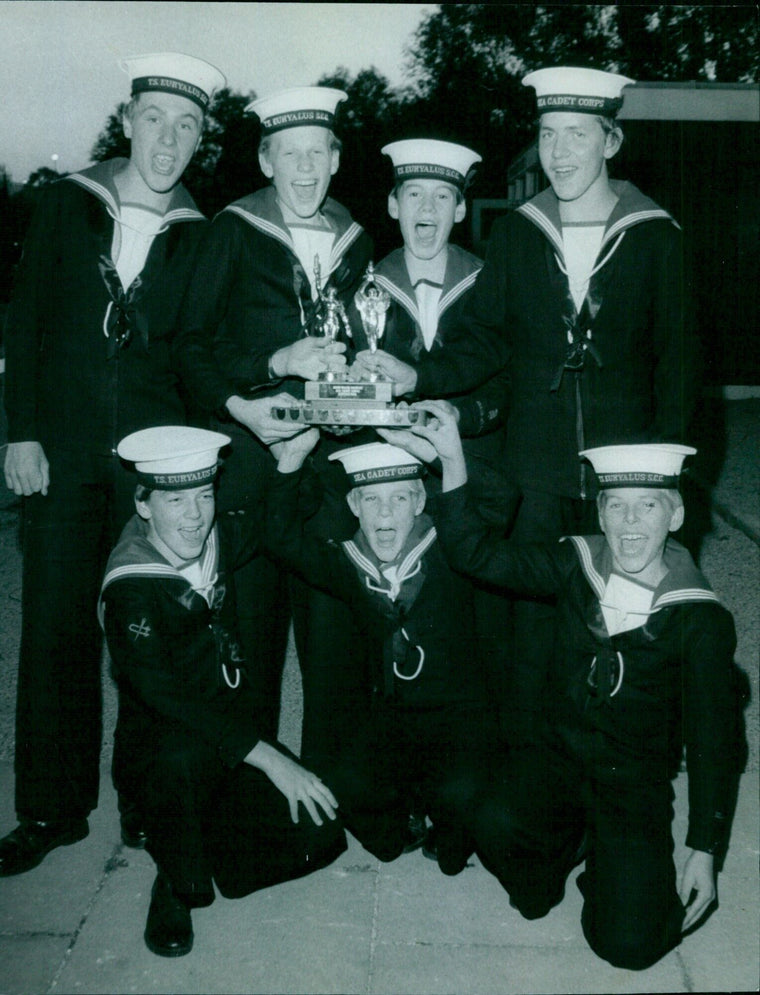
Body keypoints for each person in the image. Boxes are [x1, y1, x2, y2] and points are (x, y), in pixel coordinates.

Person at [368, 67, 701, 747]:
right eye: (548, 135)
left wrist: (658, 482)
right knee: (532, 647)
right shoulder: (518, 234)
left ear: (611, 140)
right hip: (535, 477)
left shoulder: (656, 234)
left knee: (624, 626)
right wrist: (417, 371)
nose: (560, 152)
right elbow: (486, 340)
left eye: (577, 135)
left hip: (622, 477)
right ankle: (535, 781)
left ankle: (629, 767)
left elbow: (680, 366)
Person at [0, 53, 227, 878]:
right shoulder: (67, 203)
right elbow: (29, 319)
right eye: (155, 118)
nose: (168, 139)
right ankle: (51, 809)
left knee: (145, 635)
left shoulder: (202, 231)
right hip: (63, 452)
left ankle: (149, 804)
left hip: (152, 468)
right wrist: (22, 431)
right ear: (129, 120)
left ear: (200, 140)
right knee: (54, 631)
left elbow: (200, 354)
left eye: (187, 125)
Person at [394, 404, 740, 970]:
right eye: (616, 507)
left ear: (674, 516)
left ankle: (605, 858)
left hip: (630, 784)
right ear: (599, 514)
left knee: (630, 946)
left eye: (647, 507)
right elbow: (475, 554)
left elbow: (714, 744)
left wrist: (705, 848)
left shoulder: (698, 619)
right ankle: (569, 845)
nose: (630, 526)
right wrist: (452, 459)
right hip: (556, 758)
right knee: (505, 846)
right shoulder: (574, 562)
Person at [174, 86, 373, 756]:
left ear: (336, 159)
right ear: (266, 162)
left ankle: (336, 793)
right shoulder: (231, 229)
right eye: (290, 154)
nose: (305, 168)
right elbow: (191, 345)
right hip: (251, 467)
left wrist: (352, 407)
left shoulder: (355, 239)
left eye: (317, 152)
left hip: (324, 472)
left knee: (334, 644)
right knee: (249, 644)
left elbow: (361, 350)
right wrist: (263, 374)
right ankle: (248, 807)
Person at [98, 426, 345, 957]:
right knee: (182, 758)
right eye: (175, 499)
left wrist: (289, 461)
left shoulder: (216, 539)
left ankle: (199, 833)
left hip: (228, 738)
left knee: (322, 833)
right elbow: (165, 697)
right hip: (166, 748)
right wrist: (273, 761)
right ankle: (174, 880)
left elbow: (276, 526)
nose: (194, 515)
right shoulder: (131, 583)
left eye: (204, 495)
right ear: (143, 504)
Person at [264, 434, 517, 874]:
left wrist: (436, 451)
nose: (384, 512)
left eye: (399, 498)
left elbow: (502, 499)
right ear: (353, 506)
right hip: (393, 716)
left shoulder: (453, 546)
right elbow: (280, 539)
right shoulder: (348, 562)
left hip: (458, 716)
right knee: (349, 789)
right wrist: (290, 461)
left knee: (463, 803)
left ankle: (449, 825)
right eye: (371, 499)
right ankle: (407, 820)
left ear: (421, 502)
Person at [353, 138, 512, 715]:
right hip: (390, 474)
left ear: (462, 210)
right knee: (396, 618)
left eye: (443, 196)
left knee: (470, 624)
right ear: (393, 205)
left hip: (469, 472)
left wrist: (459, 419)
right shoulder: (363, 284)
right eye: (413, 194)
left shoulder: (489, 280)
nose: (427, 210)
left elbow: (504, 381)